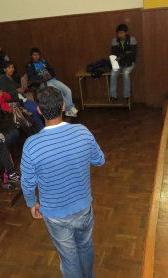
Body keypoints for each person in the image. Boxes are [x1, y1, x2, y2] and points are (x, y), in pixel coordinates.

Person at [21, 87, 105, 278]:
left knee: (68, 257)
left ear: (39, 111)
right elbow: (100, 160)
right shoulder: (83, 131)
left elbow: (27, 183)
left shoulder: (32, 145)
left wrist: (31, 203)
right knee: (85, 246)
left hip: (55, 213)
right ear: (64, 106)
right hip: (83, 207)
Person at [26, 47, 78, 117]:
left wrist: (50, 75)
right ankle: (70, 108)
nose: (36, 57)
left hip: (52, 80)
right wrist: (42, 77)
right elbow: (31, 77)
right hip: (42, 83)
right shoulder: (30, 65)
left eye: (38, 55)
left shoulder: (43, 61)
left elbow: (51, 70)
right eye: (34, 55)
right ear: (31, 56)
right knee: (58, 92)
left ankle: (68, 110)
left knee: (67, 90)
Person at [0, 61, 43, 127]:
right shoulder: (1, 79)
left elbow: (18, 88)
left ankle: (42, 126)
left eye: (12, 67)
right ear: (4, 69)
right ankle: (40, 129)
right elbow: (4, 94)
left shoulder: (13, 77)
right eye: (9, 67)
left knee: (40, 108)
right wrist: (16, 91)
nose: (11, 69)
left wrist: (22, 89)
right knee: (36, 110)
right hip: (16, 102)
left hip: (23, 98)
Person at [109, 24, 137, 103]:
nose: (120, 35)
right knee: (113, 74)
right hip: (118, 63)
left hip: (130, 63)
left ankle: (126, 96)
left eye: (122, 33)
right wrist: (125, 54)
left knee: (125, 73)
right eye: (118, 33)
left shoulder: (132, 40)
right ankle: (113, 96)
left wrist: (121, 56)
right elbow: (114, 53)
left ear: (126, 32)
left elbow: (133, 53)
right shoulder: (114, 40)